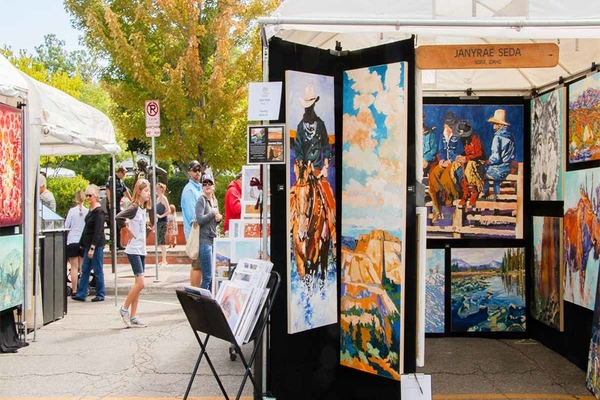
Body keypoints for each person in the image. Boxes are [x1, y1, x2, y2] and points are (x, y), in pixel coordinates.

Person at [293, 82, 336, 249]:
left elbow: (326, 147)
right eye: (306, 106)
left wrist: (325, 166)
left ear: (314, 105)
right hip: (304, 173)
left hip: (318, 171)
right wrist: (301, 167)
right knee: (294, 197)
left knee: (329, 197)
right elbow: (298, 150)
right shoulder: (300, 127)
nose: (308, 109)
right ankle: (291, 230)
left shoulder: (321, 125)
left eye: (310, 106)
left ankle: (333, 234)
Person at [116, 179, 152, 328]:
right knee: (141, 283)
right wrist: (127, 230)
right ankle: (124, 309)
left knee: (138, 285)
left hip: (141, 249)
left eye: (149, 191)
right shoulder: (134, 207)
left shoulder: (142, 209)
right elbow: (119, 217)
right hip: (134, 250)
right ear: (139, 192)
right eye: (146, 191)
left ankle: (133, 316)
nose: (148, 194)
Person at [71, 185, 106, 302]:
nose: (88, 198)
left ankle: (100, 294)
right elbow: (86, 228)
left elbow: (98, 231)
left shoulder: (99, 212)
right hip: (87, 243)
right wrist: (81, 242)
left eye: (90, 196)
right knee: (85, 268)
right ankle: (81, 293)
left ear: (96, 196)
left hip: (96, 245)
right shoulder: (91, 210)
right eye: (87, 196)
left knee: (97, 269)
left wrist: (93, 247)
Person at [428, 111, 464, 222]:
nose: (449, 129)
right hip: (445, 161)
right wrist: (442, 160)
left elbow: (460, 151)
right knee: (433, 174)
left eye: (451, 126)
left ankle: (449, 195)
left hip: (455, 162)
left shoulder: (458, 135)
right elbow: (441, 150)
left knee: (446, 176)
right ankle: (439, 202)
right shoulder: (442, 135)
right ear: (445, 125)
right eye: (448, 126)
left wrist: (450, 160)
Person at [195, 173, 222, 290]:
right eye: (204, 183)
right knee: (207, 277)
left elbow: (214, 221)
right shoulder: (201, 200)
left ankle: (208, 299)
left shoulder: (214, 200)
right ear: (202, 187)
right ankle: (201, 299)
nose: (207, 185)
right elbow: (200, 220)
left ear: (213, 186)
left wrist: (219, 219)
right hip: (204, 241)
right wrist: (212, 213)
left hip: (213, 240)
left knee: (212, 276)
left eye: (209, 183)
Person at [483, 109, 517, 201]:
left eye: (495, 123)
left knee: (482, 173)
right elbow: (513, 155)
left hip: (498, 169)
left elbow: (496, 157)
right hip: (507, 167)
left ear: (500, 125)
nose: (493, 126)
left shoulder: (497, 138)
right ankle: (496, 197)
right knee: (493, 176)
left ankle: (486, 195)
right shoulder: (511, 137)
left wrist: (488, 161)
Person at [181, 160, 204, 286]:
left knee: (195, 265)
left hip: (199, 232)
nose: (197, 173)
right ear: (189, 172)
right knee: (198, 266)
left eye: (199, 170)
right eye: (195, 170)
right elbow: (192, 217)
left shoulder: (198, 188)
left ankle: (193, 290)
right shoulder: (189, 190)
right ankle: (196, 292)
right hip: (195, 232)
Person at [64, 190, 89, 295]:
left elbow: (66, 226)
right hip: (83, 241)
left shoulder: (71, 211)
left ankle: (74, 290)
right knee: (83, 267)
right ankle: (83, 289)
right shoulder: (87, 211)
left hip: (72, 241)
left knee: (73, 267)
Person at [106, 165, 132, 250]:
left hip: (117, 204)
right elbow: (108, 190)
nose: (124, 176)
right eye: (123, 174)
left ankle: (118, 244)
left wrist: (132, 200)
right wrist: (110, 202)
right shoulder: (112, 179)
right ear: (120, 172)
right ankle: (111, 245)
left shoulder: (120, 181)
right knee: (112, 226)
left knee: (118, 224)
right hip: (112, 204)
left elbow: (125, 191)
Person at [155, 182, 170, 267]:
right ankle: (163, 259)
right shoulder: (157, 199)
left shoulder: (164, 198)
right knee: (160, 241)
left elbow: (169, 210)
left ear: (161, 189)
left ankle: (164, 260)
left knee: (162, 241)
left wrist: (161, 216)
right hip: (158, 221)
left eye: (157, 189)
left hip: (163, 221)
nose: (156, 190)